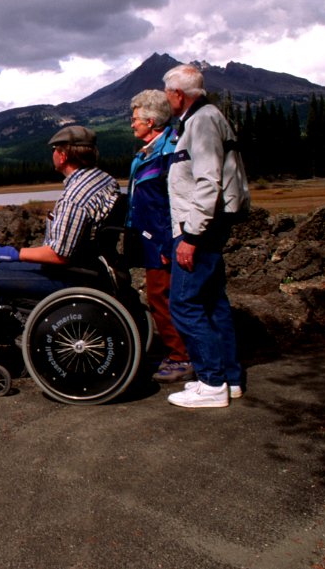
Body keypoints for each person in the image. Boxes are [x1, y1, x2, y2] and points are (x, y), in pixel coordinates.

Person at [0, 125, 119, 368]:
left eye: (55, 149)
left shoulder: (75, 197)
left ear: (63, 155)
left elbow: (59, 255)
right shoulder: (103, 179)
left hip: (72, 276)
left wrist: (15, 254)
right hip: (94, 267)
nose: (53, 154)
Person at [163, 64, 250, 408]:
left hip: (200, 228)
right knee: (213, 303)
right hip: (205, 226)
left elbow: (208, 181)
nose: (167, 99)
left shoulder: (201, 121)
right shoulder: (202, 118)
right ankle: (229, 379)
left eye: (168, 93)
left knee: (183, 303)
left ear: (178, 95)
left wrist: (191, 236)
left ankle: (211, 382)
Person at [125, 90, 192, 383]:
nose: (131, 125)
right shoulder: (149, 151)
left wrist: (168, 243)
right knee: (158, 295)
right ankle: (178, 353)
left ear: (151, 121)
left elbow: (172, 202)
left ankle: (182, 357)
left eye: (135, 119)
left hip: (164, 241)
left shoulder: (169, 151)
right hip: (150, 240)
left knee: (161, 296)